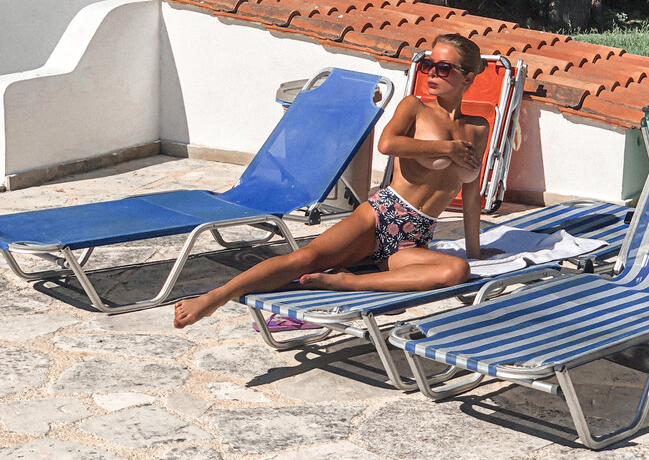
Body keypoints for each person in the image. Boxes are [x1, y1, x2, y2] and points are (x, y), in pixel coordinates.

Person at [173, 33, 491, 328]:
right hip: (382, 216)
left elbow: (471, 191)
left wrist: (475, 252)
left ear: (467, 78)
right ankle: (215, 297)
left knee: (457, 270)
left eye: (443, 68)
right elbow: (387, 144)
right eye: (428, 65)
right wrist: (446, 148)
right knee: (306, 258)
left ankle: (348, 282)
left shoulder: (477, 128)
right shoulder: (415, 107)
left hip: (416, 236)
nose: (432, 73)